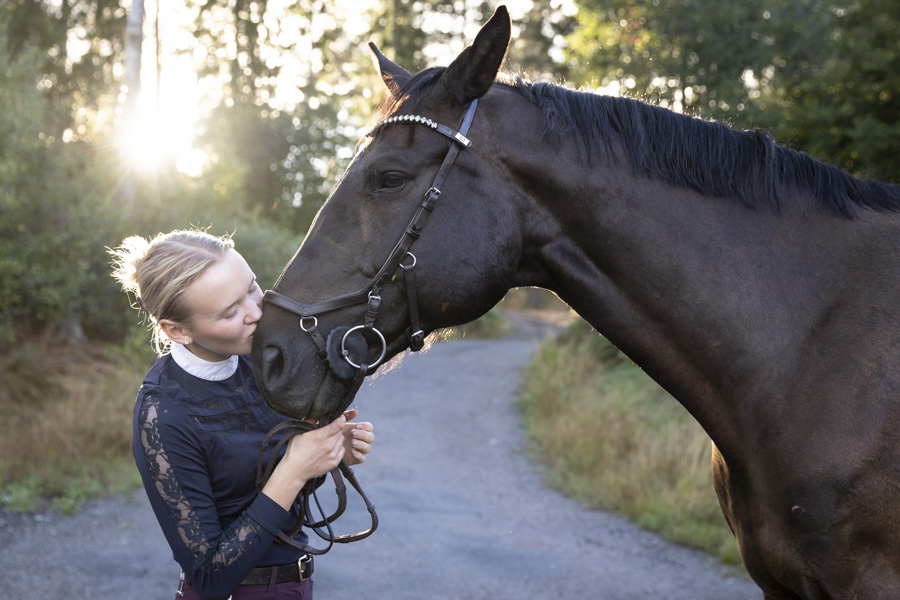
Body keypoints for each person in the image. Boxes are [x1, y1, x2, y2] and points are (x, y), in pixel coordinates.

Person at [110, 229, 375, 600]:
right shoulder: (163, 414)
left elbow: (264, 495)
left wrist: (326, 456)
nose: (256, 312)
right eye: (231, 312)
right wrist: (295, 467)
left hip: (295, 588)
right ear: (177, 330)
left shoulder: (260, 363)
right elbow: (211, 577)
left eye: (252, 288)